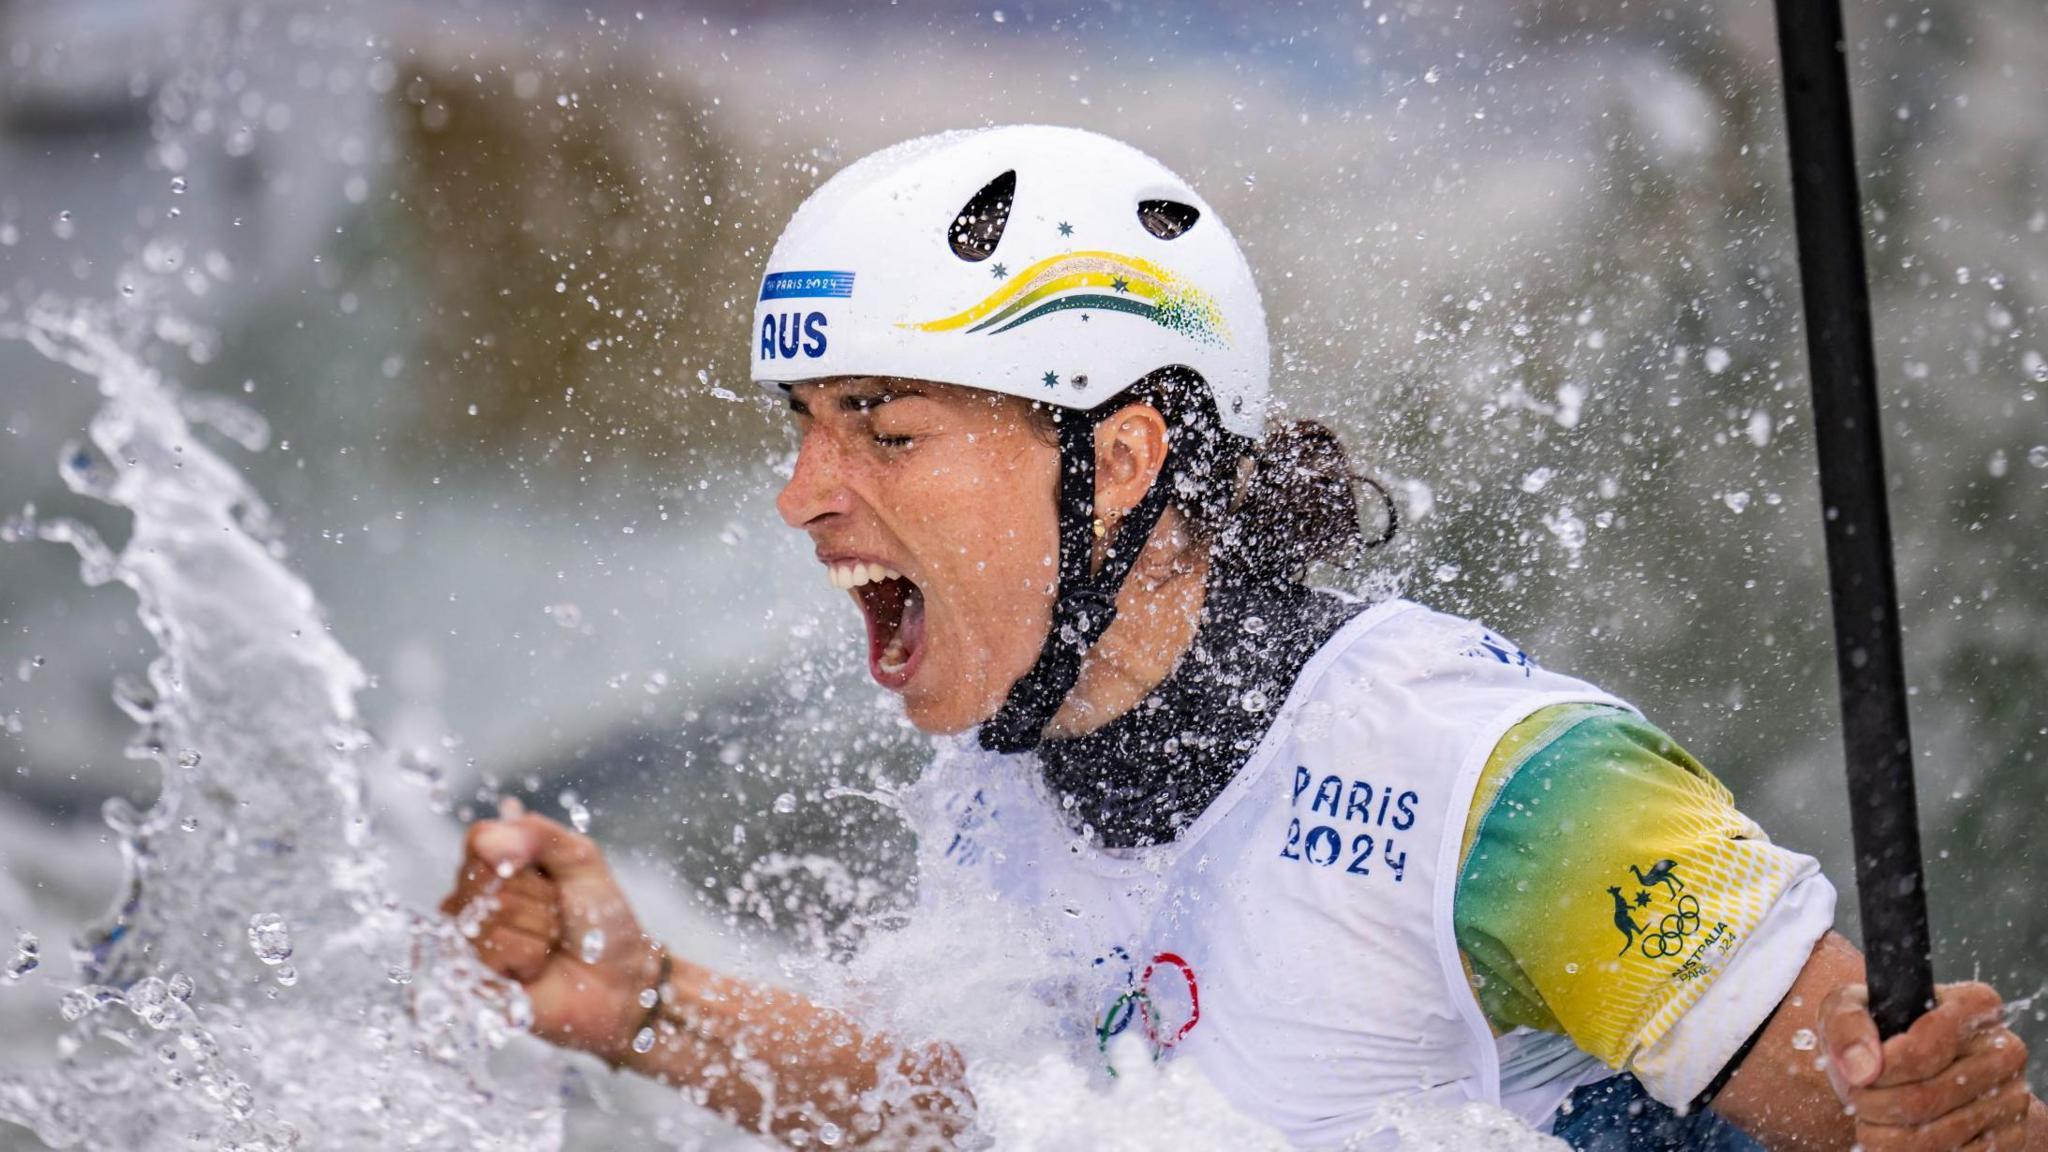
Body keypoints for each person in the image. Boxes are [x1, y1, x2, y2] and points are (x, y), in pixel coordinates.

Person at [441, 125, 2043, 1150]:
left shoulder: (1518, 792)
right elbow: (1006, 1119)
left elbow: (1894, 1125)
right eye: (804, 424)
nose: (803, 494)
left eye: (884, 429)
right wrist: (655, 1011)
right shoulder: (1013, 766)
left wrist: (1924, 1133)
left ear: (1121, 459)